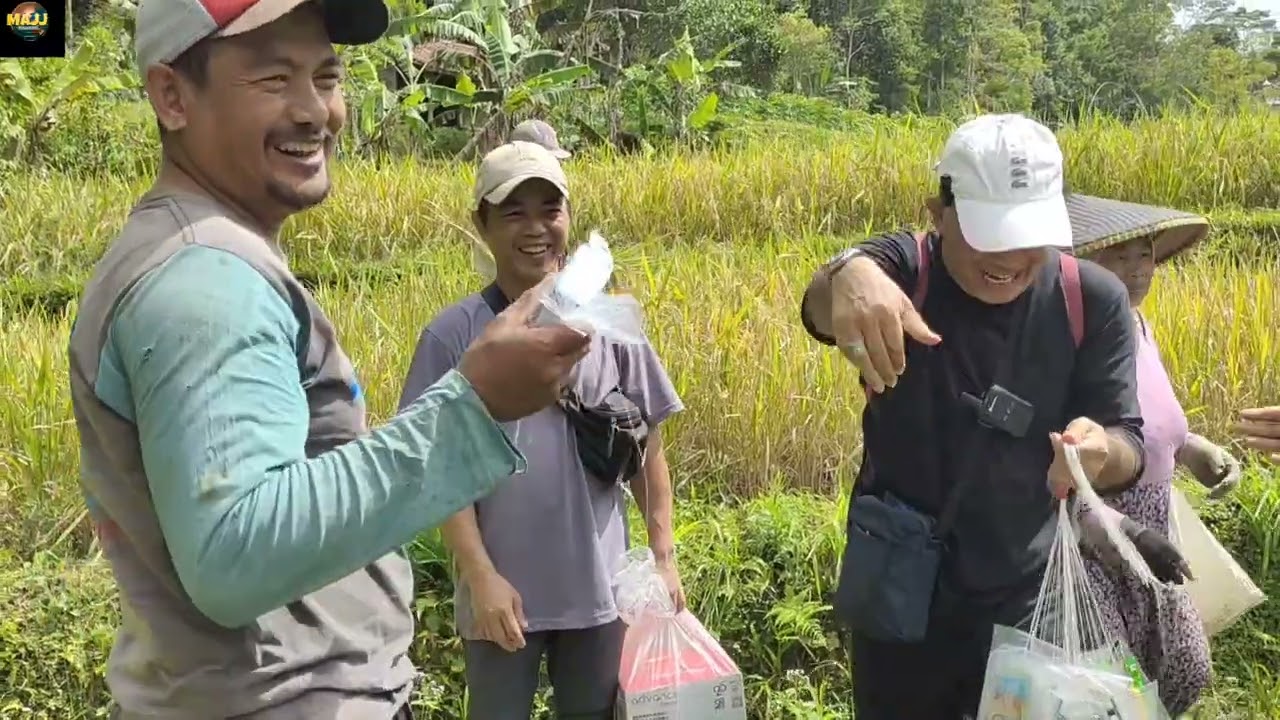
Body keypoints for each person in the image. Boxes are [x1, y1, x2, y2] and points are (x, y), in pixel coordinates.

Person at [67, 2, 591, 718]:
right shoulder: (203, 281)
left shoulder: (202, 253)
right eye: (274, 78)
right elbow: (234, 553)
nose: (316, 111)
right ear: (172, 95)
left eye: (327, 75)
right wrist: (472, 408)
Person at [799, 113, 1180, 719]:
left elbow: (1126, 441)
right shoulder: (906, 272)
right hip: (899, 590)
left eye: (1027, 234)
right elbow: (823, 304)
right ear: (937, 213)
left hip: (1026, 595)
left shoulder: (1092, 300)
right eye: (988, 233)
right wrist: (847, 273)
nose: (1008, 257)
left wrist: (1099, 454)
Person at [397, 141, 685, 719]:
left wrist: (662, 556)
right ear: (481, 223)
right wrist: (479, 577)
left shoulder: (611, 325)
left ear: (569, 219)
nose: (536, 229)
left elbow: (650, 442)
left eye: (550, 211)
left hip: (602, 596)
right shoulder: (455, 336)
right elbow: (437, 465)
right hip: (503, 601)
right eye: (513, 212)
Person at [1069, 193, 1246, 715]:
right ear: (1084, 267)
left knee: (1184, 667)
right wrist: (1122, 530)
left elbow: (1151, 425)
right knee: (1110, 687)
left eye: (1144, 253)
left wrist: (1195, 450)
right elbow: (1068, 454)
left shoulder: (1141, 330)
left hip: (1156, 530)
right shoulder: (1072, 341)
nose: (1136, 269)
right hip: (1095, 536)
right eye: (1118, 256)